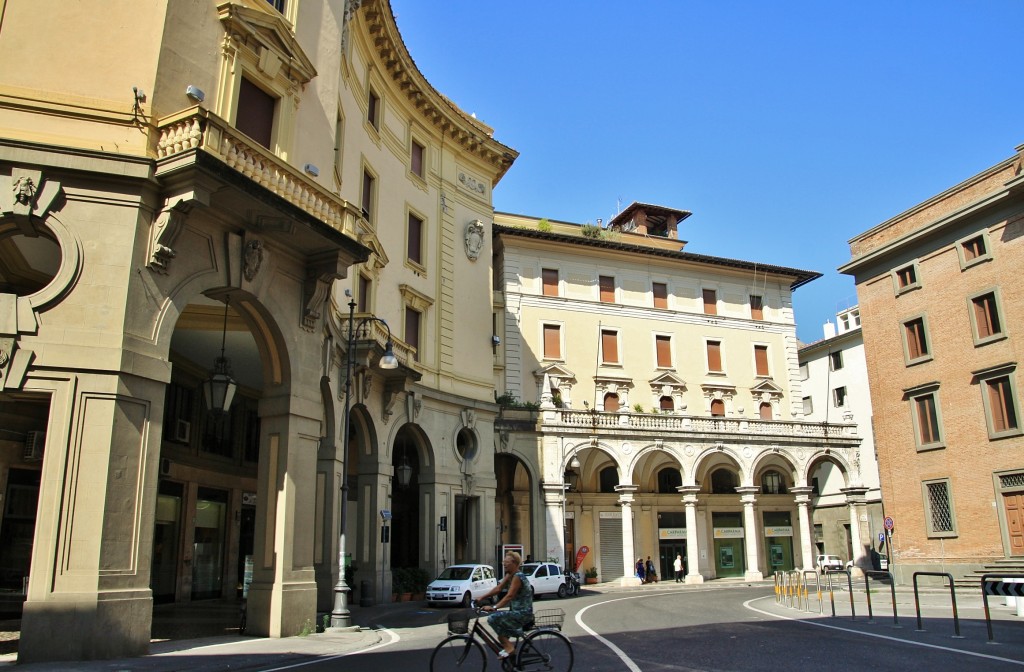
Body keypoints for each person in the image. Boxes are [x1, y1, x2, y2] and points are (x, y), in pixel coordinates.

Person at [481, 551, 533, 659]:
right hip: (516, 611)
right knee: (501, 631)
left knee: (492, 619)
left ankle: (510, 646)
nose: (504, 564)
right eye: (503, 562)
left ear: (514, 563)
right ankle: (511, 652)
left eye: (506, 562)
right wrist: (481, 598)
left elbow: (509, 596)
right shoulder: (510, 574)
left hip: (522, 613)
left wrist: (494, 607)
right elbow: (498, 588)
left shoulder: (517, 576)